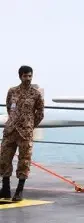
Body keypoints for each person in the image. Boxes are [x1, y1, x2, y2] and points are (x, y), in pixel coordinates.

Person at [0, 65, 44, 202]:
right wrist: (13, 121)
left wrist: (30, 125)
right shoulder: (12, 91)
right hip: (10, 131)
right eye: (25, 76)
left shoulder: (36, 94)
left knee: (24, 161)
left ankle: (19, 190)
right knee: (4, 158)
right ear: (20, 76)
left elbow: (40, 113)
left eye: (30, 76)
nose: (28, 78)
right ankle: (5, 189)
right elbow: (9, 108)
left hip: (25, 133)